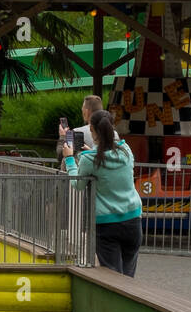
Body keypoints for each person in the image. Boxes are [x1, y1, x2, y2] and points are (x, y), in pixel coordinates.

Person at [61, 109, 142, 277]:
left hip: (107, 223)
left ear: (92, 131)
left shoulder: (89, 159)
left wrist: (69, 158)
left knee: (113, 276)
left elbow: (78, 184)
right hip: (133, 219)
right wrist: (91, 150)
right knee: (128, 276)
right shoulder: (126, 150)